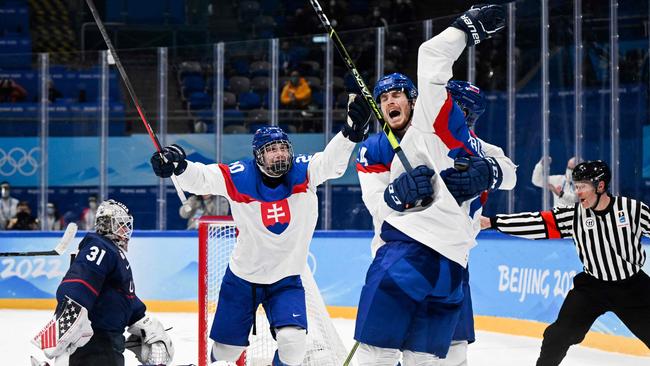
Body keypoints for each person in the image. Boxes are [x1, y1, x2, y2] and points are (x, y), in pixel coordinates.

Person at [350, 5, 508, 365]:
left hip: (446, 258)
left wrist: (491, 173)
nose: (391, 101)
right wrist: (395, 193)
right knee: (398, 356)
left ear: (415, 100)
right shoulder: (378, 146)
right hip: (415, 251)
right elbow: (377, 203)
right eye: (384, 97)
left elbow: (508, 171)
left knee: (441, 355)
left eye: (397, 94)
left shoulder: (471, 144)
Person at [150, 118, 369, 365]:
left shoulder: (305, 171)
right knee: (225, 353)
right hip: (243, 279)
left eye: (283, 148)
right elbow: (201, 178)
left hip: (287, 279)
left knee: (294, 344)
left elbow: (332, 164)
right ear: (258, 156)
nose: (279, 154)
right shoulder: (239, 176)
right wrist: (179, 164)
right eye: (271, 149)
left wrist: (349, 134)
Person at [480, 160, 650, 366]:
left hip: (633, 287)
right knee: (557, 336)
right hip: (593, 287)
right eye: (576, 186)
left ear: (601, 186)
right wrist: (494, 222)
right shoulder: (575, 215)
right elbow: (537, 222)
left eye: (583, 186)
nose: (578, 192)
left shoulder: (632, 209)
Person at [33, 199, 174, 366]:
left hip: (109, 341)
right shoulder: (100, 246)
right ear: (107, 224)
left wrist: (140, 318)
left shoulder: (114, 253)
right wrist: (71, 312)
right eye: (121, 224)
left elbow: (122, 295)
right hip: (95, 341)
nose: (126, 230)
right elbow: (80, 280)